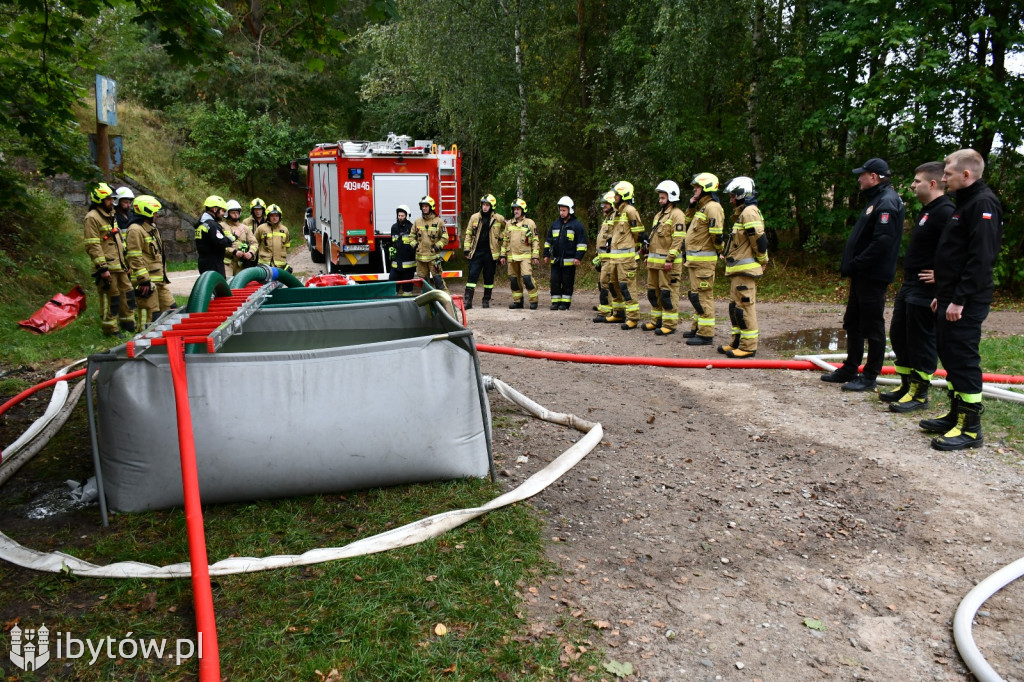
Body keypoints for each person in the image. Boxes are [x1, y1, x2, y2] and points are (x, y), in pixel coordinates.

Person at [921, 149, 1003, 451]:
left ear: (966, 175)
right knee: (951, 355)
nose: (943, 178)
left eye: (949, 173)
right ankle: (956, 416)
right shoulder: (965, 204)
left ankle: (970, 428)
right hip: (951, 297)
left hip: (966, 300)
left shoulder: (982, 204)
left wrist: (958, 300)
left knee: (963, 358)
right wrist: (943, 295)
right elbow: (954, 255)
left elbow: (980, 259)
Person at [821, 158, 905, 390]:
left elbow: (882, 243)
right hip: (863, 275)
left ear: (874, 177)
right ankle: (851, 367)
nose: (859, 178)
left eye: (863, 174)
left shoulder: (887, 202)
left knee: (872, 324)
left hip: (872, 276)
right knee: (854, 322)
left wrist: (856, 263)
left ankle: (869, 376)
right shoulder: (877, 199)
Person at [881, 162, 954, 412]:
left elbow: (961, 249)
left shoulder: (946, 211)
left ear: (933, 184)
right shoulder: (927, 210)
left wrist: (944, 275)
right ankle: (906, 385)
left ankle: (920, 393)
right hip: (910, 283)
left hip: (926, 287)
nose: (912, 185)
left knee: (921, 339)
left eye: (917, 180)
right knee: (901, 334)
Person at [718, 176, 769, 357]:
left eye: (733, 196)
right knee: (735, 308)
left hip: (745, 271)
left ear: (742, 194)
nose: (731, 199)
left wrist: (763, 260)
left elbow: (759, 240)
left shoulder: (749, 213)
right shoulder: (742, 213)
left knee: (744, 308)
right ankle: (737, 342)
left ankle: (748, 347)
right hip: (737, 270)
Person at [83, 182, 134, 335]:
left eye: (112, 199)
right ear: (99, 200)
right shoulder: (92, 218)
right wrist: (102, 267)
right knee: (111, 298)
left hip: (119, 265)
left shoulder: (111, 215)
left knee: (127, 293)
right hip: (107, 267)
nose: (112, 202)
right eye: (108, 199)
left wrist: (126, 262)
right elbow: (93, 245)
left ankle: (128, 323)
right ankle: (110, 329)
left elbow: (118, 241)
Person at [682, 173, 725, 345]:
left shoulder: (713, 207)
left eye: (697, 187)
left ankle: (706, 334)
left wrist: (720, 250)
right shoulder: (702, 207)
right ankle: (697, 327)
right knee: (696, 296)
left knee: (703, 297)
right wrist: (691, 205)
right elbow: (686, 221)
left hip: (704, 262)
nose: (694, 190)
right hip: (695, 261)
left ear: (706, 188)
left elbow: (717, 235)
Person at [593, 183, 642, 325]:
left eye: (616, 195)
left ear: (624, 195)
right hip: (614, 258)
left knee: (627, 287)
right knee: (614, 286)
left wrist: (635, 252)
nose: (614, 198)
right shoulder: (618, 213)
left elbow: (637, 233)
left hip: (625, 259)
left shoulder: (630, 210)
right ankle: (619, 313)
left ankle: (633, 317)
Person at [642, 181, 687, 335]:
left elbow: (678, 239)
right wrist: (647, 255)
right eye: (660, 198)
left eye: (662, 198)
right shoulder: (658, 216)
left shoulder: (678, 215)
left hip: (668, 264)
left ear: (671, 197)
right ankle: (656, 321)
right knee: (653, 293)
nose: (660, 200)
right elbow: (654, 239)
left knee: (668, 294)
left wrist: (670, 259)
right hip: (654, 264)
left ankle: (669, 324)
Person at [125, 195, 175, 330]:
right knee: (150, 315)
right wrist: (143, 280)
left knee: (172, 309)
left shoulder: (151, 228)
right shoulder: (135, 230)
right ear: (146, 211)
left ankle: (166, 339)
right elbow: (134, 257)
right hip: (147, 282)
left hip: (159, 281)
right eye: (155, 212)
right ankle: (142, 342)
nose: (157, 215)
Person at [543, 196, 588, 310]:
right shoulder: (555, 225)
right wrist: (546, 254)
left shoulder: (577, 226)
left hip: (569, 261)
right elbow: (548, 241)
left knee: (567, 282)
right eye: (560, 210)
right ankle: (555, 302)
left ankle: (565, 303)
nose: (562, 212)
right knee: (555, 281)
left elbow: (582, 243)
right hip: (556, 260)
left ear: (570, 210)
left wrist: (578, 257)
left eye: (564, 210)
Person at [462, 194, 506, 309]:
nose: (485, 207)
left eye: (487, 205)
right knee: (472, 277)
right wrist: (467, 250)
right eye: (483, 204)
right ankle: (467, 301)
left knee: (489, 278)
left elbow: (509, 228)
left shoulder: (498, 218)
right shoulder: (474, 217)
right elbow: (468, 234)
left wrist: (500, 236)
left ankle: (486, 300)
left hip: (491, 254)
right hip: (476, 252)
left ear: (492, 206)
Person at [500, 199, 541, 309]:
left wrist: (535, 256)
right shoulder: (509, 223)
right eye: (514, 209)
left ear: (523, 210)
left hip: (525, 257)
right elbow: (505, 240)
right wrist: (502, 255)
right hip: (511, 256)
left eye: (518, 209)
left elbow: (535, 240)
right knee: (514, 280)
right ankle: (518, 301)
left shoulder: (530, 223)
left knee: (527, 278)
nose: (516, 211)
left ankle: (533, 300)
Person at [111, 186, 138, 322]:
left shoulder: (132, 216)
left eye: (129, 202)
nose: (128, 205)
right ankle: (126, 313)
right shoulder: (115, 217)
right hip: (122, 257)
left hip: (132, 255)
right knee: (125, 287)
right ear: (118, 202)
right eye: (125, 202)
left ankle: (133, 310)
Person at [195, 195, 239, 277]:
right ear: (215, 209)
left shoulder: (200, 223)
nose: (223, 214)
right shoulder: (212, 225)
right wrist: (234, 237)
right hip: (214, 264)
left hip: (203, 262)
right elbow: (221, 242)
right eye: (222, 211)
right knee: (218, 288)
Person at [411, 195, 448, 290]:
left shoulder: (439, 221)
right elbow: (411, 237)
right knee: (424, 285)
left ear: (431, 207)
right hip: (420, 259)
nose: (424, 208)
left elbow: (445, 237)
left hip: (433, 259)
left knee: (439, 283)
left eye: (426, 206)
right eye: (423, 206)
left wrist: (437, 246)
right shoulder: (417, 222)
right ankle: (428, 303)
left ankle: (445, 302)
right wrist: (415, 245)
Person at [592, 191, 616, 316]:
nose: (604, 206)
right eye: (603, 203)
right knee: (602, 283)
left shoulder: (614, 218)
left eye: (606, 203)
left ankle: (606, 311)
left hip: (610, 258)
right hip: (603, 258)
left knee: (606, 283)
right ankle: (606, 306)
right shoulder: (607, 218)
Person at [222, 199, 258, 275]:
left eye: (237, 212)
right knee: (227, 284)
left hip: (241, 265)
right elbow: (219, 244)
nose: (235, 214)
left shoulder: (245, 228)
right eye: (233, 212)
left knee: (240, 285)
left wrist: (251, 253)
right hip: (227, 264)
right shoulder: (222, 226)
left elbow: (254, 243)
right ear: (227, 213)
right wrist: (234, 251)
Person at [388, 204, 417, 294]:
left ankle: (406, 305)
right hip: (395, 265)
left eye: (402, 216)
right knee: (392, 288)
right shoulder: (394, 227)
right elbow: (392, 242)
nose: (400, 217)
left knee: (407, 291)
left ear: (407, 216)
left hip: (408, 267)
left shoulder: (411, 227)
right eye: (399, 215)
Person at [254, 204, 290, 269]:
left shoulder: (285, 230)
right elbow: (255, 243)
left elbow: (287, 246)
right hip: (264, 264)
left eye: (276, 215)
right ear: (268, 216)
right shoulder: (261, 228)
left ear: (279, 216)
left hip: (280, 265)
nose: (274, 218)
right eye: (272, 215)